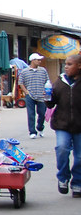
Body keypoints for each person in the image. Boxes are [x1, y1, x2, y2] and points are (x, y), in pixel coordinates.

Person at [47, 54, 81, 197]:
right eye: (65, 64)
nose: (66, 67)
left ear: (79, 66)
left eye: (69, 64)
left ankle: (77, 182)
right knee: (62, 148)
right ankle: (63, 177)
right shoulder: (60, 82)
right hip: (62, 124)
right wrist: (47, 98)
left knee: (80, 157)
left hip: (79, 126)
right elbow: (51, 103)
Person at [19, 53, 49, 138]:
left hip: (41, 95)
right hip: (30, 95)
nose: (39, 61)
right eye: (38, 60)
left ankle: (40, 127)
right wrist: (26, 92)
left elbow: (47, 81)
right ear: (32, 60)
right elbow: (20, 82)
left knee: (42, 113)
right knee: (31, 114)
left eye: (40, 60)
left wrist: (46, 91)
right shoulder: (24, 71)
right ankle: (32, 132)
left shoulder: (43, 70)